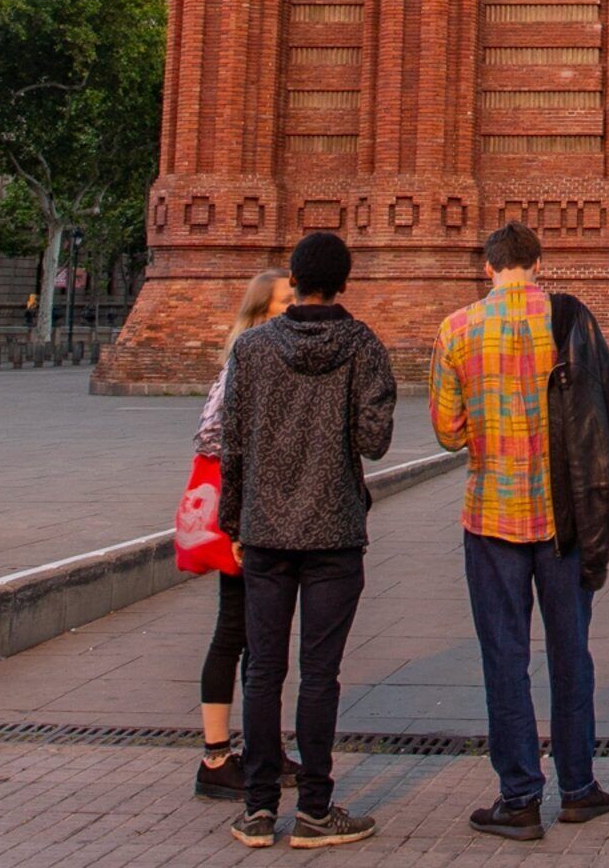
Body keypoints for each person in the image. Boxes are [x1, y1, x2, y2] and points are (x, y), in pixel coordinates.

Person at [439, 222, 609, 841]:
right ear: (538, 263)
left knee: (505, 657)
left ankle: (519, 797)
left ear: (487, 267)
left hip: (491, 515)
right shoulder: (574, 320)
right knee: (571, 651)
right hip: (564, 520)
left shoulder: (457, 329)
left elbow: (448, 430)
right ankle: (578, 788)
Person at [212, 232, 395, 849]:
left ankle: (258, 810)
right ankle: (316, 810)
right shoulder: (362, 344)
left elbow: (230, 444)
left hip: (263, 531)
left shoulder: (254, 349)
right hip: (335, 531)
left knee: (262, 670)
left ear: (293, 279)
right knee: (321, 674)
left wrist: (232, 524)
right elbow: (374, 440)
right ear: (345, 281)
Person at [192, 268, 292, 801]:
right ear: (261, 311)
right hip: (244, 515)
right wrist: (236, 516)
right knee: (234, 630)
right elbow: (211, 434)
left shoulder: (260, 352)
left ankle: (263, 749)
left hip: (260, 512)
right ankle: (215, 758)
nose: (293, 305)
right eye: (285, 300)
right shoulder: (244, 358)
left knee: (261, 636)